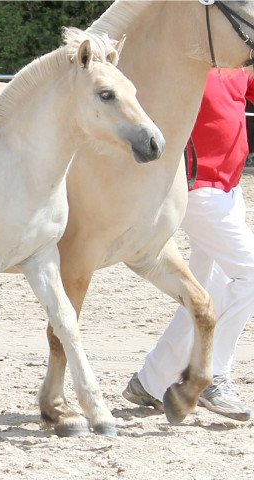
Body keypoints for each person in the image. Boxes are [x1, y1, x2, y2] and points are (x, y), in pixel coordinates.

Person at [123, 68, 254, 422]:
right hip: (198, 189)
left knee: (201, 290)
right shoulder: (188, 67)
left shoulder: (237, 65)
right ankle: (214, 374)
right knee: (250, 275)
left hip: (230, 188)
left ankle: (150, 382)